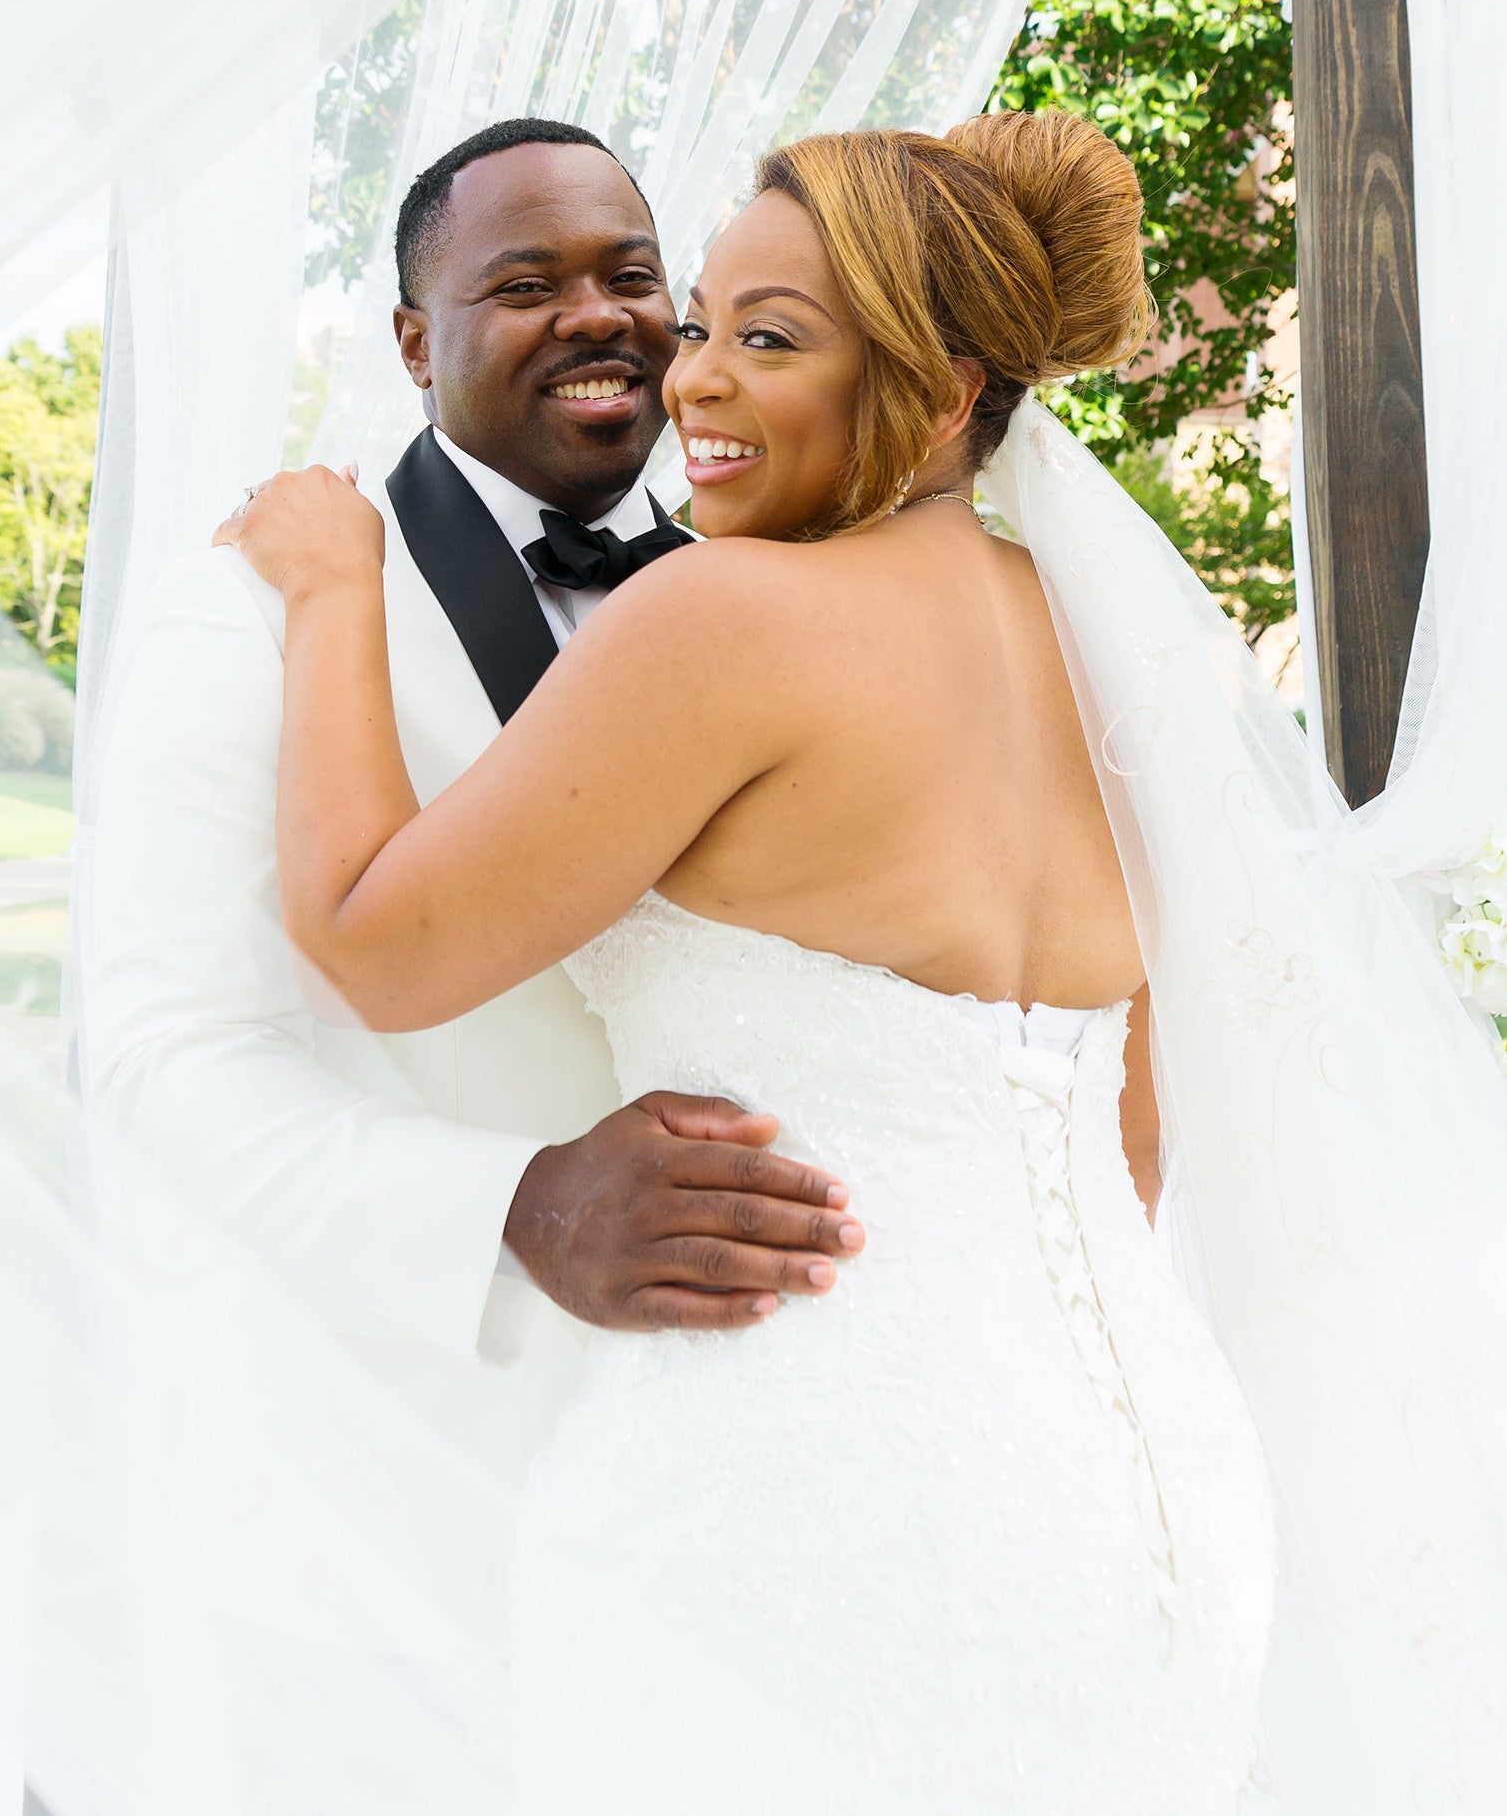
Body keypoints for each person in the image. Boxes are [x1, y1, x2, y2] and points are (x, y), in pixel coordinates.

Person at [223, 113, 1278, 1811]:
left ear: (942, 392)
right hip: (1163, 1502)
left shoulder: (727, 621)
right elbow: (1131, 1141)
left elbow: (371, 939)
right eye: (702, 319)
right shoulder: (1117, 664)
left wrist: (336, 585)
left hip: (824, 1508)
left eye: (769, 339)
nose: (692, 380)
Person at [84, 116, 861, 1500]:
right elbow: (160, 1056)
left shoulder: (772, 598)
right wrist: (521, 1206)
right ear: (409, 341)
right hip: (414, 1450)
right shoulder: (251, 613)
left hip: (783, 1426)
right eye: (522, 286)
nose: (597, 318)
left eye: (632, 276)